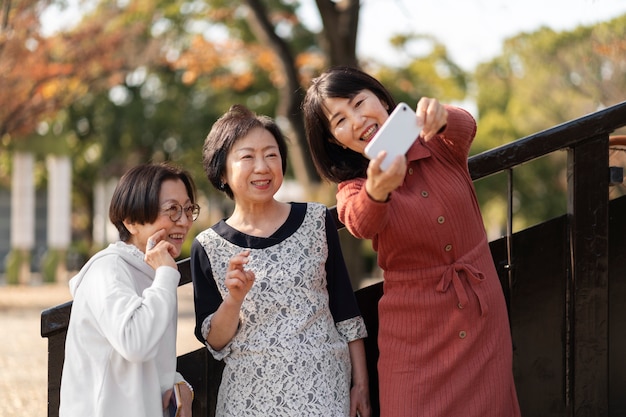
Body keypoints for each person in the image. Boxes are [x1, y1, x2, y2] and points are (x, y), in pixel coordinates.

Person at [302, 66, 521, 417]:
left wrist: (442, 114)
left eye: (360, 103)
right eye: (340, 121)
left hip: (482, 320)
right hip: (415, 340)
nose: (357, 121)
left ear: (382, 98)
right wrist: (378, 188)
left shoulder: (437, 142)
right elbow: (359, 221)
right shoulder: (354, 187)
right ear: (335, 141)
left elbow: (466, 125)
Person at [190, 104, 371, 417]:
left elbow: (345, 310)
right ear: (222, 172)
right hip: (247, 400)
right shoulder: (207, 246)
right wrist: (233, 300)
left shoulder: (316, 220)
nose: (262, 167)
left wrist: (361, 385)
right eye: (247, 156)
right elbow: (215, 342)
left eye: (271, 155)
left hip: (324, 390)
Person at [59, 162, 198, 417]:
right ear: (132, 221)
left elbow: (148, 357)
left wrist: (179, 384)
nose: (184, 221)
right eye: (172, 210)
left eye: (189, 209)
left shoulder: (155, 270)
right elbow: (136, 343)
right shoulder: (108, 270)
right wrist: (167, 276)